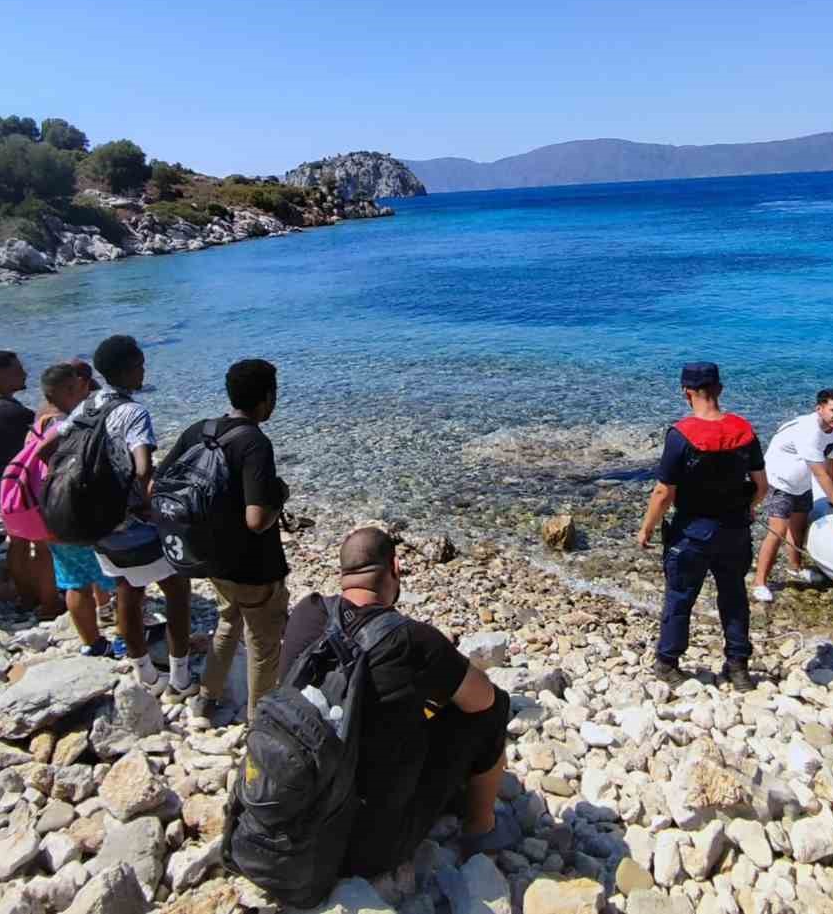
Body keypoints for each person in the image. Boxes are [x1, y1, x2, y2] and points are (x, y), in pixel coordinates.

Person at [278, 528, 517, 872]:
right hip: (366, 847)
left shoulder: (307, 611)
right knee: (495, 708)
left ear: (342, 573)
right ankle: (482, 828)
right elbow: (485, 701)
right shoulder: (412, 640)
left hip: (294, 812)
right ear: (396, 567)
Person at [53, 335, 194, 696]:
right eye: (141, 365)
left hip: (97, 523)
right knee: (178, 590)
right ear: (129, 368)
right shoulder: (132, 412)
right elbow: (143, 466)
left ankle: (144, 672)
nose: (144, 371)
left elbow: (49, 449)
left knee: (127, 590)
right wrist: (149, 501)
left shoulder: (86, 406)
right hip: (131, 523)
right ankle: (180, 676)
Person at [161, 358, 291, 721]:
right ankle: (260, 722)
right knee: (263, 646)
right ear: (267, 397)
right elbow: (257, 519)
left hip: (210, 558)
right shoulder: (255, 443)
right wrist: (280, 494)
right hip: (254, 567)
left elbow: (158, 484)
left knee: (229, 623)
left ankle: (205, 700)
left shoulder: (199, 430)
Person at [636, 362, 766, 688]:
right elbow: (763, 485)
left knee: (680, 596)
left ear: (686, 393)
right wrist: (748, 509)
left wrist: (648, 527)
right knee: (734, 597)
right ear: (720, 389)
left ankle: (668, 662)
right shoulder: (745, 431)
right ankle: (737, 667)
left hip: (692, 530)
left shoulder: (680, 436)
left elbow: (664, 491)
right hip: (734, 529)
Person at [33, 361, 116, 656]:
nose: (87, 389)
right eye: (81, 385)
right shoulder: (67, 426)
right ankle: (123, 636)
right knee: (115, 574)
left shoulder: (41, 419)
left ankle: (92, 643)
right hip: (75, 510)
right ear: (70, 390)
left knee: (75, 580)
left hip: (50, 509)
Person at [752, 388, 833, 602]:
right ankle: (759, 582)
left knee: (797, 527)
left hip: (801, 483)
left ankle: (795, 568)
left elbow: (832, 462)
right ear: (820, 409)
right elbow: (820, 473)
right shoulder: (808, 431)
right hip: (779, 482)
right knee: (777, 531)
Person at [0, 351, 54, 613]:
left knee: (18, 542)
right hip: (22, 490)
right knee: (43, 546)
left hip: (1, 489)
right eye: (18, 370)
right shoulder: (12, 416)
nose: (25, 374)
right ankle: (50, 602)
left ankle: (27, 597)